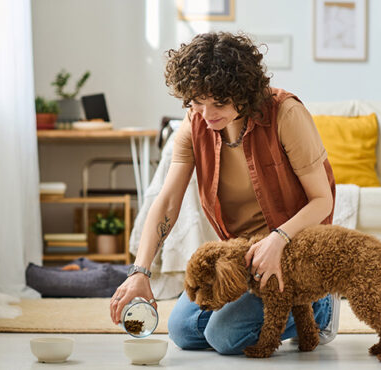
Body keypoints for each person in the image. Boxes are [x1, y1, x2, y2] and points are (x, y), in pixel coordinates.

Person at [110, 31, 340, 355]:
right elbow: (168, 200)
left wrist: (278, 239)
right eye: (196, 102)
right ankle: (255, 311)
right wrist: (140, 271)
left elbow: (322, 201)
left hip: (296, 254)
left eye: (218, 103)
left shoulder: (285, 114)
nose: (206, 114)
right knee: (182, 330)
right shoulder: (196, 122)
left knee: (223, 336)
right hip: (244, 262)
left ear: (244, 92)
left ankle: (321, 308)